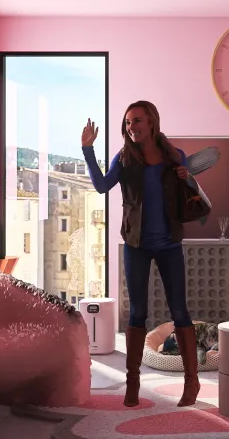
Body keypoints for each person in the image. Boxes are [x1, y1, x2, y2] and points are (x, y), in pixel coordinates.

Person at [81, 100, 200, 408]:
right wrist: (88, 150)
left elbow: (187, 195)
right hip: (136, 245)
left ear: (151, 123)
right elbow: (102, 186)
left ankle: (192, 382)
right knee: (136, 313)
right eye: (128, 122)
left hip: (169, 243)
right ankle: (132, 383)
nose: (131, 127)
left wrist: (186, 177)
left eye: (137, 121)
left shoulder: (174, 156)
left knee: (179, 312)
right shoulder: (124, 159)